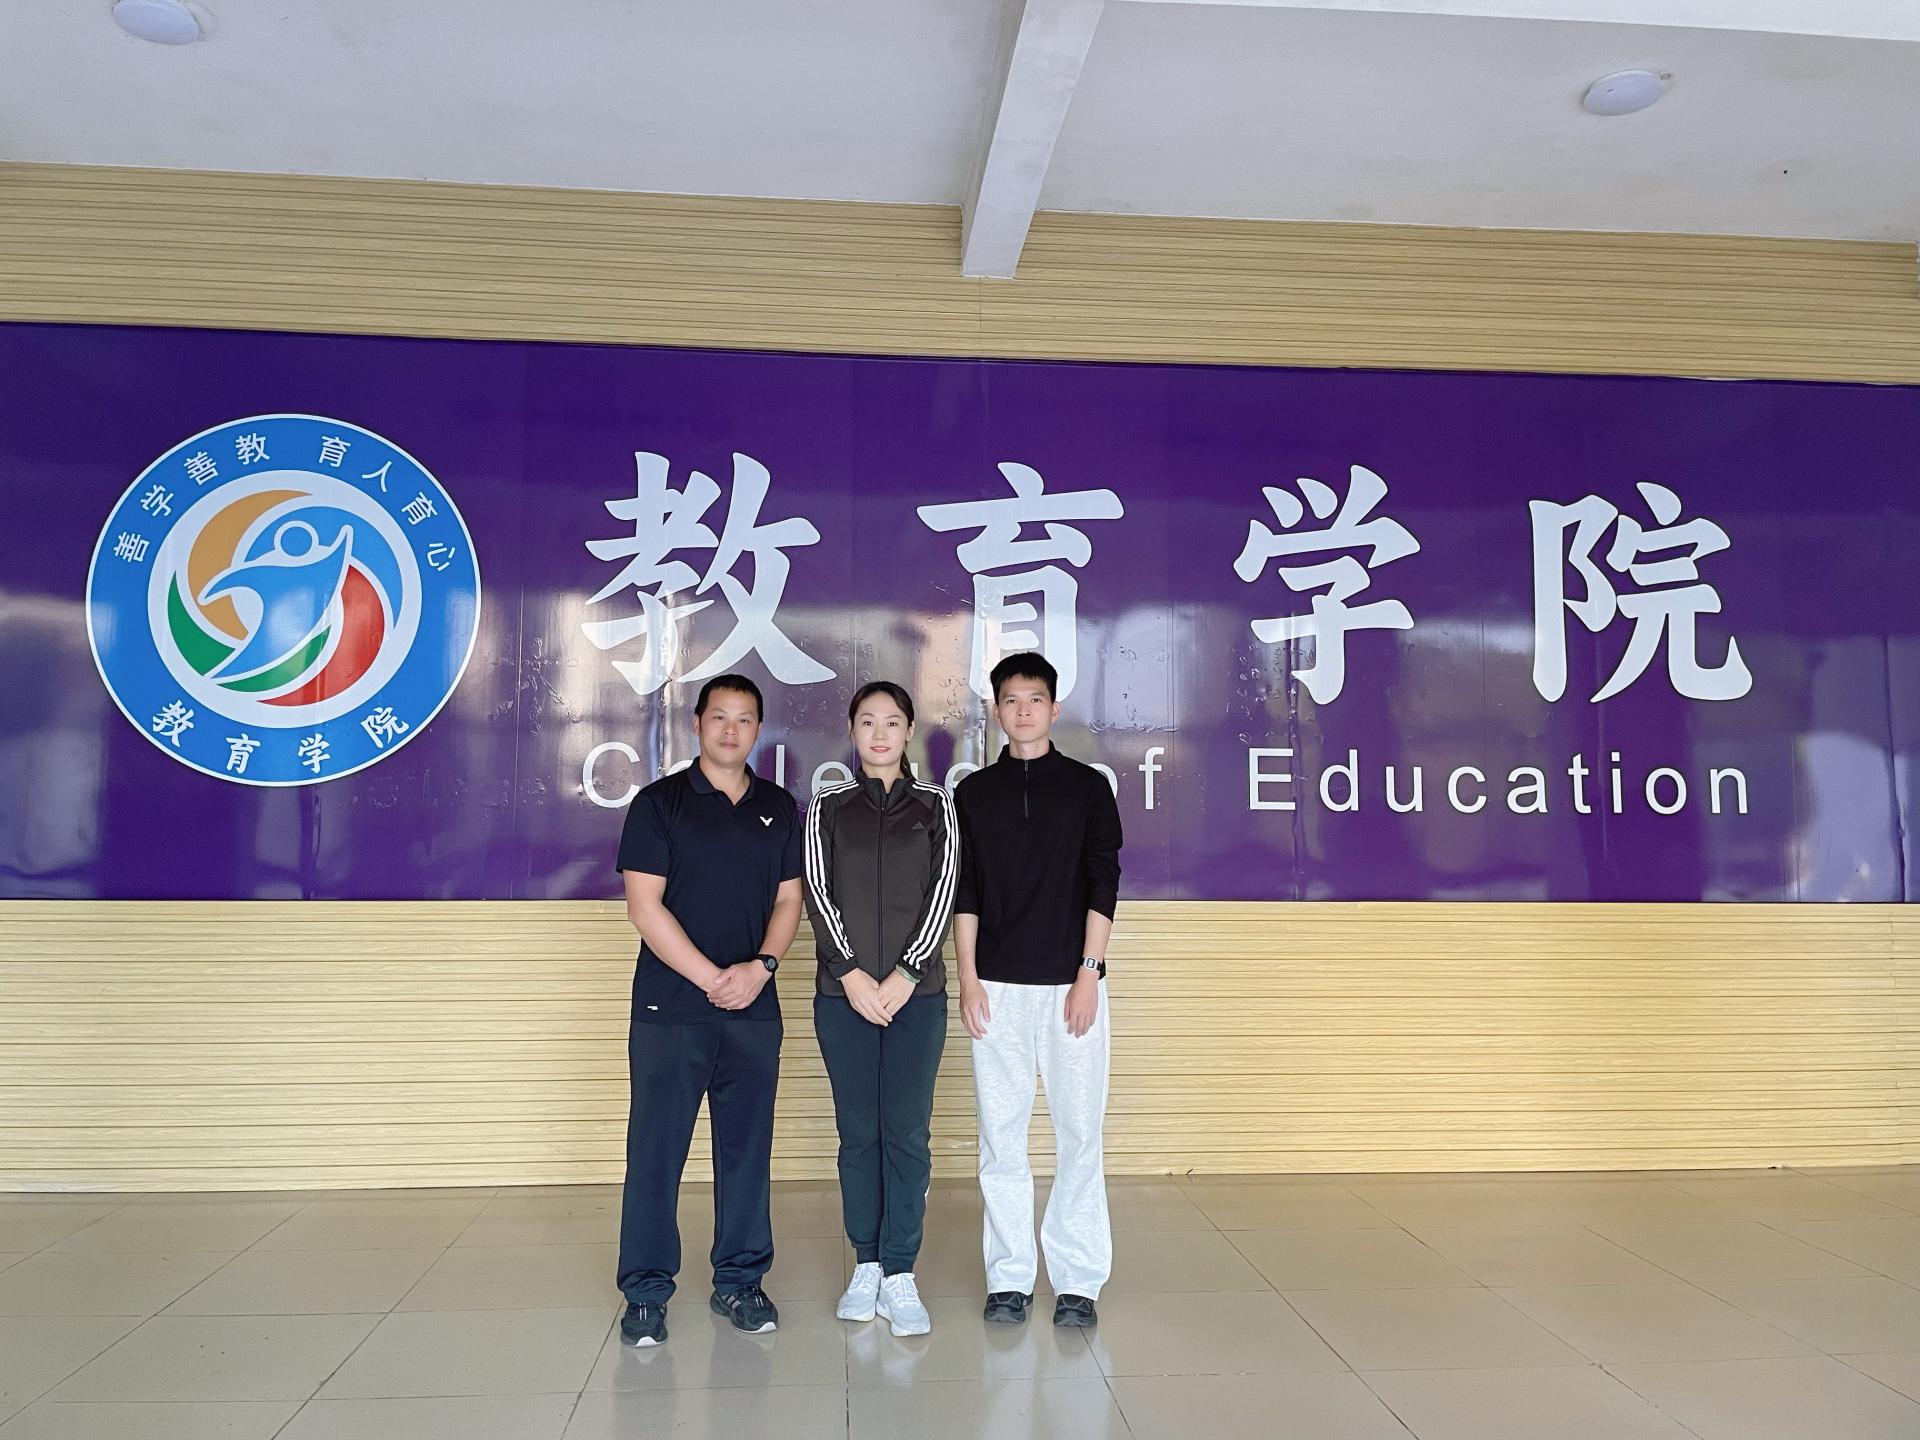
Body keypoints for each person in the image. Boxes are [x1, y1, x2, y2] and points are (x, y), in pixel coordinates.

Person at [613, 673, 803, 1348]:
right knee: (656, 1153)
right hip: (669, 1010)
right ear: (696, 724)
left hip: (753, 1008)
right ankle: (645, 1293)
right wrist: (711, 979)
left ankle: (740, 1282)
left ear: (758, 730)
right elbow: (644, 907)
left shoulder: (779, 807)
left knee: (747, 1152)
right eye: (719, 716)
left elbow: (789, 900)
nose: (731, 729)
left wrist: (761, 968)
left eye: (744, 719)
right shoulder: (659, 803)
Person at [953, 651, 1122, 1329]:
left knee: (1079, 1134)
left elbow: (1103, 882)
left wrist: (1089, 972)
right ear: (995, 710)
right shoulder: (972, 794)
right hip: (995, 987)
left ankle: (1078, 1279)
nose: (1022, 711)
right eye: (1010, 700)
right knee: (1001, 1138)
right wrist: (967, 979)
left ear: (1054, 708)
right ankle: (1009, 1278)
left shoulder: (1087, 788)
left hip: (1071, 987)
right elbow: (964, 892)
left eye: (1034, 699)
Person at [803, 681, 958, 1337]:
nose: (879, 733)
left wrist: (906, 972)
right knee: (858, 1133)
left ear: (909, 731)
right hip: (844, 999)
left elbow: (945, 889)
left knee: (907, 1133)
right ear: (852, 731)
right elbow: (817, 890)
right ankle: (865, 1262)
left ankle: (900, 1271)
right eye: (867, 722)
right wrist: (851, 974)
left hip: (916, 999)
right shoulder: (828, 807)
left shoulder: (937, 805)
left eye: (892, 722)